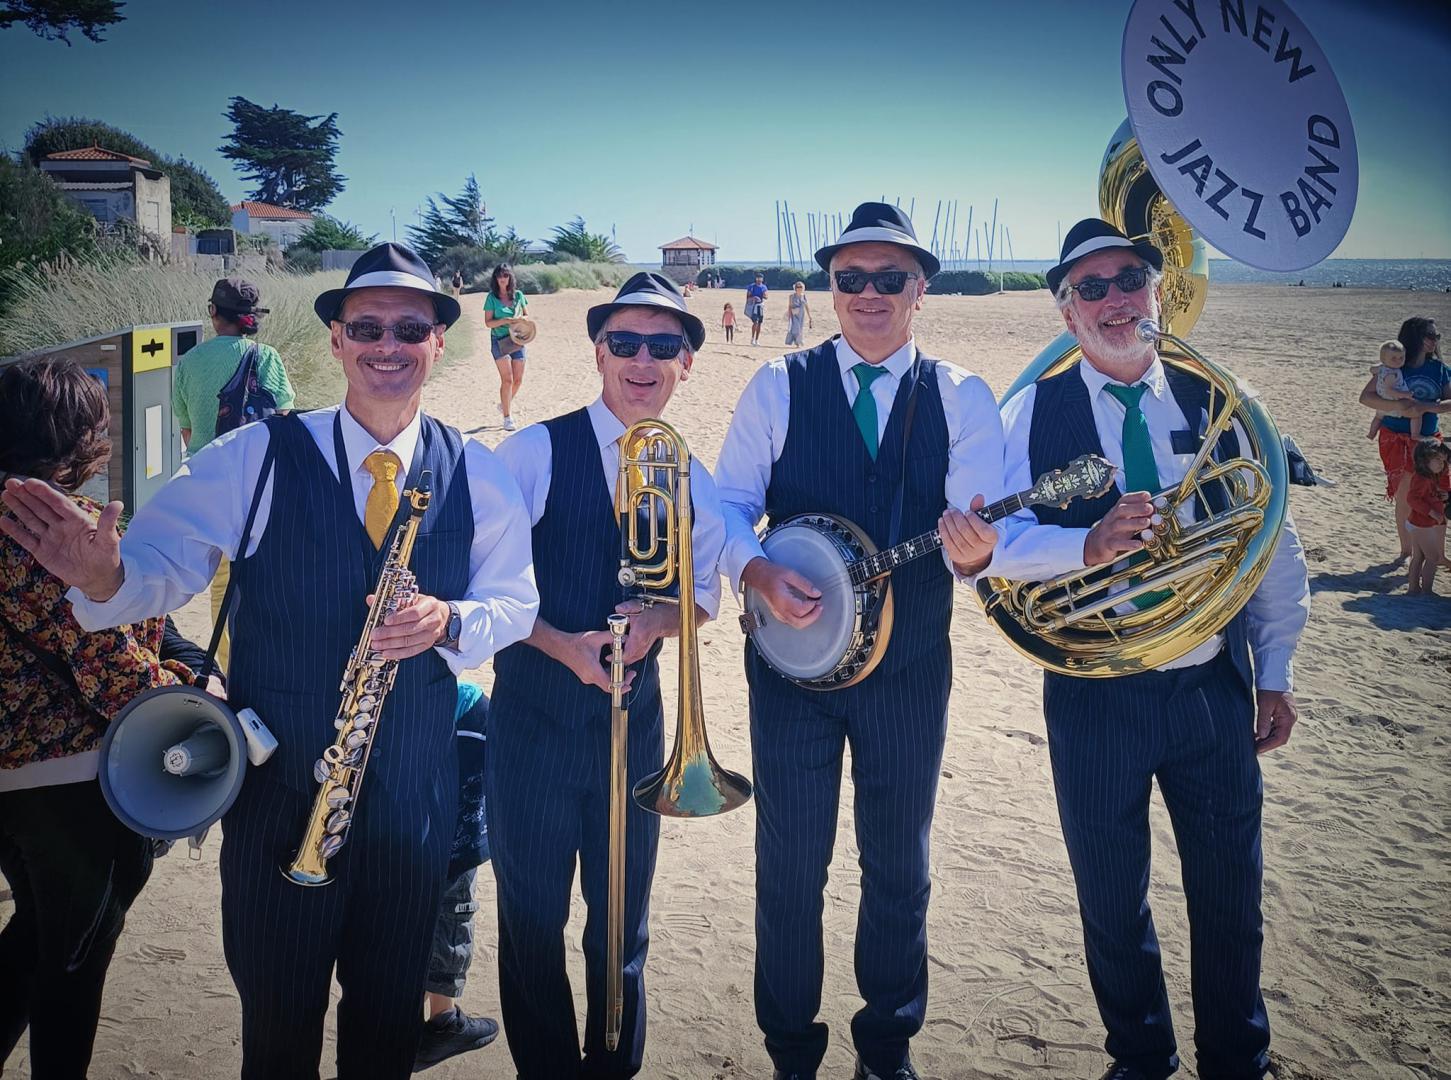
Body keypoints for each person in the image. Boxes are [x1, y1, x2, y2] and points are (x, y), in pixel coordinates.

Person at [0, 242, 540, 1080]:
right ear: (336, 340)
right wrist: (104, 578)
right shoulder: (253, 457)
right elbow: (158, 569)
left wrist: (450, 619)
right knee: (277, 1031)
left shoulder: (480, 471)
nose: (387, 345)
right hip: (278, 798)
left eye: (409, 328)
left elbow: (515, 604)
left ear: (438, 341)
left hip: (412, 803)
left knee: (386, 1032)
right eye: (367, 326)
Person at [989, 218, 1312, 1080]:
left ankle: (1237, 1059)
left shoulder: (1220, 402)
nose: (1113, 300)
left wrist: (1274, 673)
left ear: (1158, 291)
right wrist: (1084, 546)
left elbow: (1269, 541)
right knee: (1110, 898)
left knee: (1230, 893)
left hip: (1210, 685)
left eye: (1128, 279)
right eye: (1089, 289)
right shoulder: (1026, 411)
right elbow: (988, 551)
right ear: (1066, 313)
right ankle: (1140, 1057)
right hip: (1093, 689)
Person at [714, 202, 1003, 1080]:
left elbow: (975, 537)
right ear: (829, 287)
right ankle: (790, 1051)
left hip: (909, 668)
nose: (868, 293)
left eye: (889, 278)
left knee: (898, 864)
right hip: (789, 671)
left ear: (920, 289)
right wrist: (755, 570)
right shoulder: (777, 384)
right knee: (789, 864)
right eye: (850, 278)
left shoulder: (961, 395)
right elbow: (727, 506)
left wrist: (976, 553)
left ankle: (886, 1047)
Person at [487, 272, 726, 1079]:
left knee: (622, 926)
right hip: (532, 722)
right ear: (598, 354)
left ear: (685, 362)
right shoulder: (531, 452)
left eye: (663, 346)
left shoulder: (686, 470)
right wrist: (562, 645)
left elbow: (704, 596)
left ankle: (614, 1065)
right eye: (624, 343)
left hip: (638, 725)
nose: (642, 361)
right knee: (530, 920)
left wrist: (658, 622)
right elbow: (482, 589)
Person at [0, 357, 220, 1078]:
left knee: (38, 937)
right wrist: (195, 696)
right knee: (73, 963)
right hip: (77, 783)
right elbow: (110, 669)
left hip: (11, 782)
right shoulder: (61, 530)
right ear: (80, 440)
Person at [172, 276, 296, 674]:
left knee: (222, 582)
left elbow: (188, 431)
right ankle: (266, 662)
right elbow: (283, 417)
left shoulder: (189, 362)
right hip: (256, 480)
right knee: (264, 572)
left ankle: (228, 667)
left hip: (208, 484)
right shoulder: (266, 357)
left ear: (213, 312)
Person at [415, 681, 499, 1072]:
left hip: (443, 721)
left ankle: (420, 1017)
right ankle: (441, 1021)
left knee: (421, 898)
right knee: (453, 898)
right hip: (457, 723)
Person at [1358, 317, 1450, 558]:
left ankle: (1434, 552)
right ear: (1415, 337)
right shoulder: (1395, 364)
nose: (1434, 340)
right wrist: (1399, 405)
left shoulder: (1439, 369)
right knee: (1406, 495)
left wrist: (1425, 407)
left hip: (1428, 439)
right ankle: (1407, 550)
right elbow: (1365, 397)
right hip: (1396, 438)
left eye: (1437, 336)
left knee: (1435, 493)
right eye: (1429, 335)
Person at [483, 264, 530, 431]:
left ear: (510, 278)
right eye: (499, 276)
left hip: (517, 339)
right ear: (495, 279)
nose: (502, 279)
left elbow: (526, 314)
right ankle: (507, 417)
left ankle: (504, 404)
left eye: (505, 275)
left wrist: (521, 319)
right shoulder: (491, 297)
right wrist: (505, 321)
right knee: (507, 379)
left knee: (518, 380)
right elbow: (488, 323)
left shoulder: (519, 295)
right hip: (499, 340)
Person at [1406, 439, 1449, 595]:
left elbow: (1427, 496)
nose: (1442, 464)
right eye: (1437, 459)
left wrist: (1442, 496)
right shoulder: (1422, 479)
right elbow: (1412, 499)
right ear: (1424, 460)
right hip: (1421, 524)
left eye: (1443, 461)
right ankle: (1427, 590)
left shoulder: (1429, 477)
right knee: (1433, 557)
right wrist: (1432, 512)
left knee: (1418, 557)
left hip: (1418, 523)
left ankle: (1413, 588)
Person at [1364, 340, 1413, 440]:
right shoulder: (1392, 374)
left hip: (1381, 399)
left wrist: (1376, 369)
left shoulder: (1382, 368)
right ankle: (1415, 434)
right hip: (1392, 401)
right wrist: (1405, 394)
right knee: (1416, 415)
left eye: (1401, 358)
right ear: (1383, 359)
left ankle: (1371, 434)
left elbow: (1371, 369)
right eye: (1394, 358)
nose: (1398, 361)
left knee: (1378, 417)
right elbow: (1390, 391)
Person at [784, 280, 813, 346]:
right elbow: (789, 306)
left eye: (800, 287)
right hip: (794, 315)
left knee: (800, 328)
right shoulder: (791, 296)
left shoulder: (804, 296)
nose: (799, 288)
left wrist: (809, 316)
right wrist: (789, 315)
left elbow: (806, 306)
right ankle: (796, 342)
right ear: (795, 288)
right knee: (796, 328)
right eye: (797, 287)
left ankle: (798, 342)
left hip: (801, 314)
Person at [745, 272, 768, 345]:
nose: (759, 280)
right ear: (755, 279)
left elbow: (766, 297)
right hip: (753, 306)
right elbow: (748, 297)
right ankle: (752, 338)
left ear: (762, 279)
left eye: (760, 278)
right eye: (757, 278)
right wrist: (753, 298)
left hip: (760, 306)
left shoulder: (764, 287)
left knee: (760, 323)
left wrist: (763, 295)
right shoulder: (751, 286)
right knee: (755, 322)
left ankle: (757, 339)